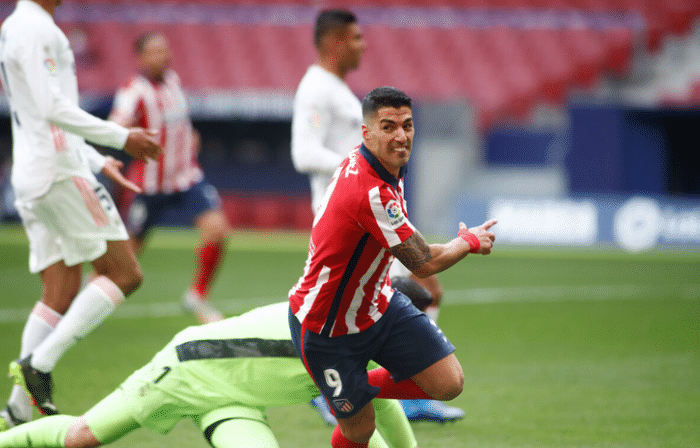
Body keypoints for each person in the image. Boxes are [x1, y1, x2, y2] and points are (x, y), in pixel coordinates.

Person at [288, 86, 497, 448]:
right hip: (326, 326)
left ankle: (354, 388)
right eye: (388, 127)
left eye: (407, 125)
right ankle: (345, 392)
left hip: (377, 305)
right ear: (367, 133)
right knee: (359, 429)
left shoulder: (377, 164)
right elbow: (424, 262)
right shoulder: (370, 192)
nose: (401, 136)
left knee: (448, 382)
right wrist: (469, 241)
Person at [291, 9, 462, 423]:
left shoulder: (337, 90)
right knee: (421, 287)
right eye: (356, 38)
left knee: (425, 292)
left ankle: (355, 389)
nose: (363, 45)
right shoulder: (315, 89)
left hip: (371, 214)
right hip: (352, 221)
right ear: (335, 42)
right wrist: (357, 180)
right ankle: (347, 389)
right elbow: (303, 152)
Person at [0, 0, 162, 428]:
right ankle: (39, 364)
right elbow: (51, 108)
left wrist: (94, 158)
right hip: (57, 173)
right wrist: (120, 137)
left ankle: (17, 410)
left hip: (35, 172)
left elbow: (43, 115)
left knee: (60, 289)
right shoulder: (37, 30)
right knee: (124, 273)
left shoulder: (19, 26)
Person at [0, 302, 419, 448]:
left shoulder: (356, 343)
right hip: (186, 369)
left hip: (237, 401)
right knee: (82, 436)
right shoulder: (332, 333)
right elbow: (370, 413)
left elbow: (374, 410)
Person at [109, 31, 232, 324]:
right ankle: (94, 292)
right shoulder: (134, 91)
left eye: (165, 50)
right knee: (127, 259)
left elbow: (179, 122)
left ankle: (196, 295)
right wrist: (128, 134)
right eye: (155, 51)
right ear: (140, 58)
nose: (163, 56)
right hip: (150, 186)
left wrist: (190, 137)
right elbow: (115, 125)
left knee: (217, 230)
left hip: (186, 177)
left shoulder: (174, 81)